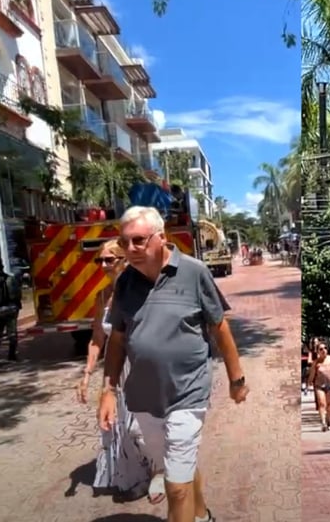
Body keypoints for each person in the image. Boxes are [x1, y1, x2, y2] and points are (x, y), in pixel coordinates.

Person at [98, 206, 248, 522]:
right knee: (176, 465)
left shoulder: (194, 272)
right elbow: (118, 341)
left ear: (161, 237)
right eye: (125, 243)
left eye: (139, 240)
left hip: (188, 392)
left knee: (175, 487)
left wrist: (237, 379)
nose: (131, 249)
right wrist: (108, 390)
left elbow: (218, 326)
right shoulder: (125, 283)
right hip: (143, 398)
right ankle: (203, 515)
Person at [76, 239, 158, 502]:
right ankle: (138, 476)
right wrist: (87, 374)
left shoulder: (144, 290)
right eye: (99, 260)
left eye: (109, 260)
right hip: (116, 371)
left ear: (124, 260)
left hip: (141, 367)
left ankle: (161, 471)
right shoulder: (102, 297)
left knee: (141, 428)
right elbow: (97, 338)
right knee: (117, 426)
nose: (102, 265)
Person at [0, 257, 20, 362]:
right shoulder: (11, 278)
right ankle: (12, 355)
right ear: (2, 266)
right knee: (12, 333)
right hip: (12, 308)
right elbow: (18, 294)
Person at [307, 340, 330, 431]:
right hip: (319, 386)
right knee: (322, 404)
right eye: (321, 349)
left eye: (325, 348)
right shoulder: (316, 362)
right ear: (318, 351)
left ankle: (328, 421)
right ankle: (323, 423)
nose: (323, 350)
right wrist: (309, 383)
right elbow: (312, 374)